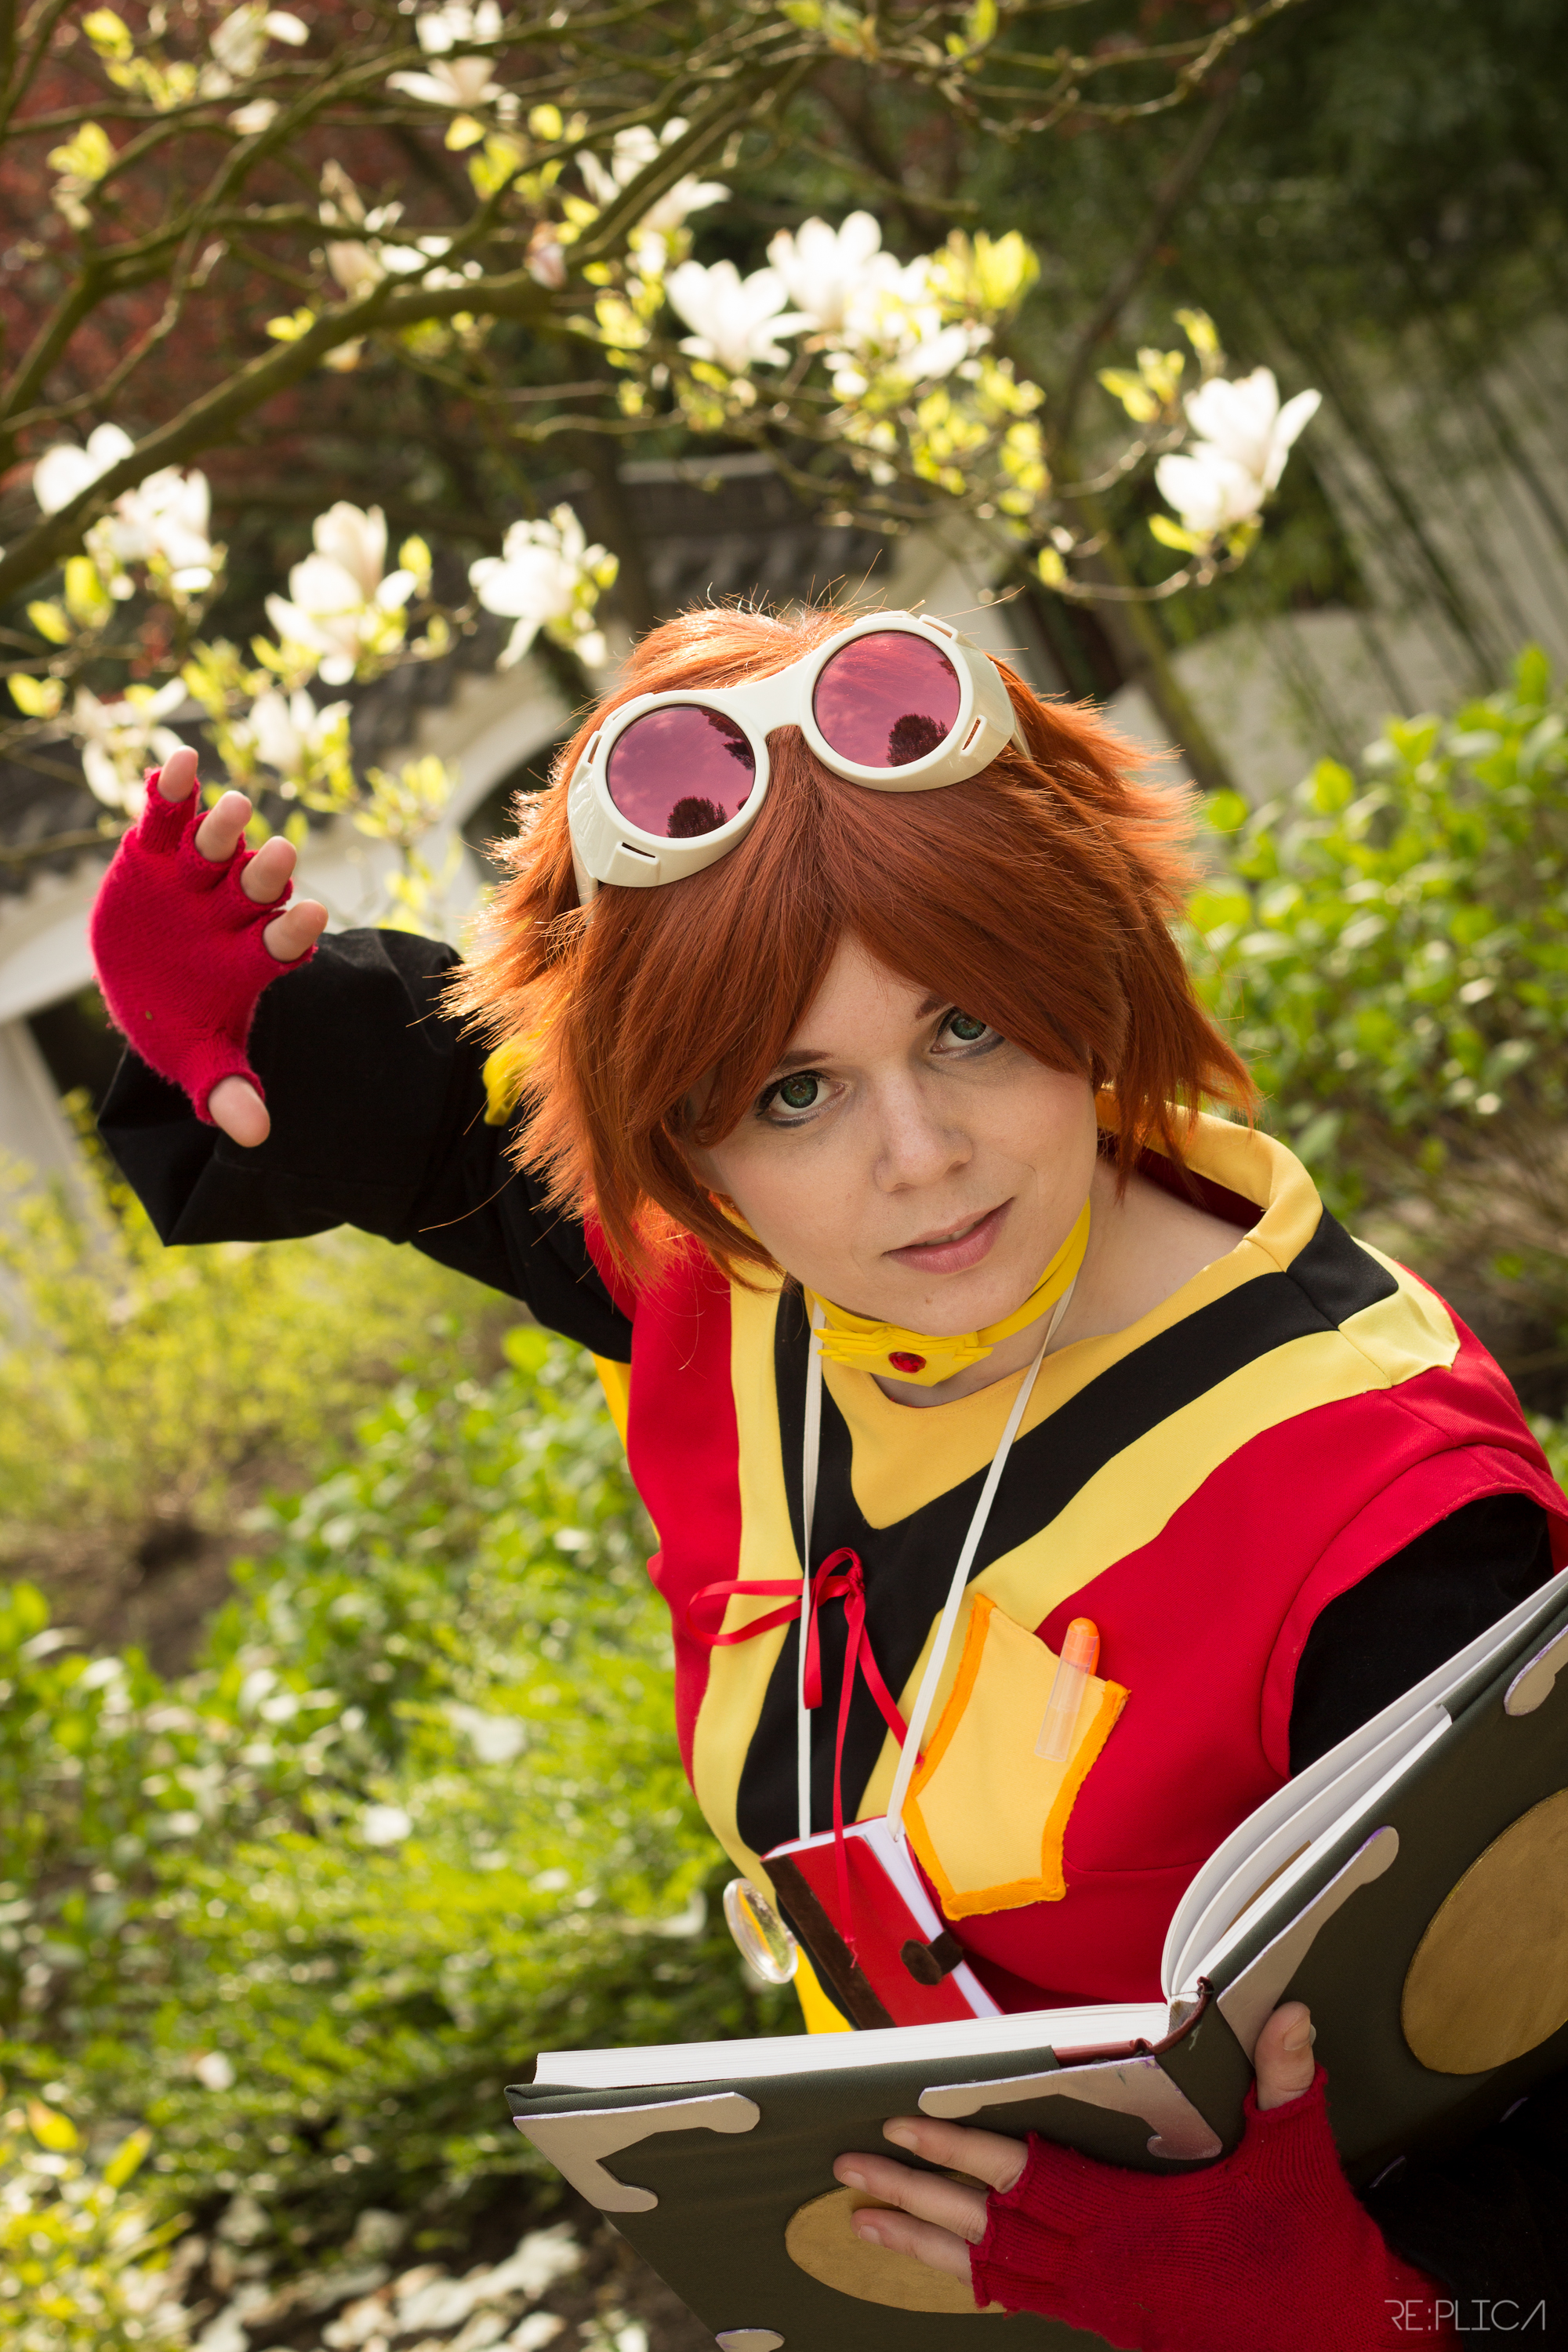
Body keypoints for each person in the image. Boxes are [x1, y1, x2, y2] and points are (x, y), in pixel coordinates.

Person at [92, 604, 1567, 2350]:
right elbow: (462, 1111)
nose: (918, 1160)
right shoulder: (745, 1277)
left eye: (971, 1028)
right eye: (796, 1090)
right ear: (685, 1140)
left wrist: (1372, 2313)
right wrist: (252, 1016)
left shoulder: (1381, 1514)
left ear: (1090, 973)